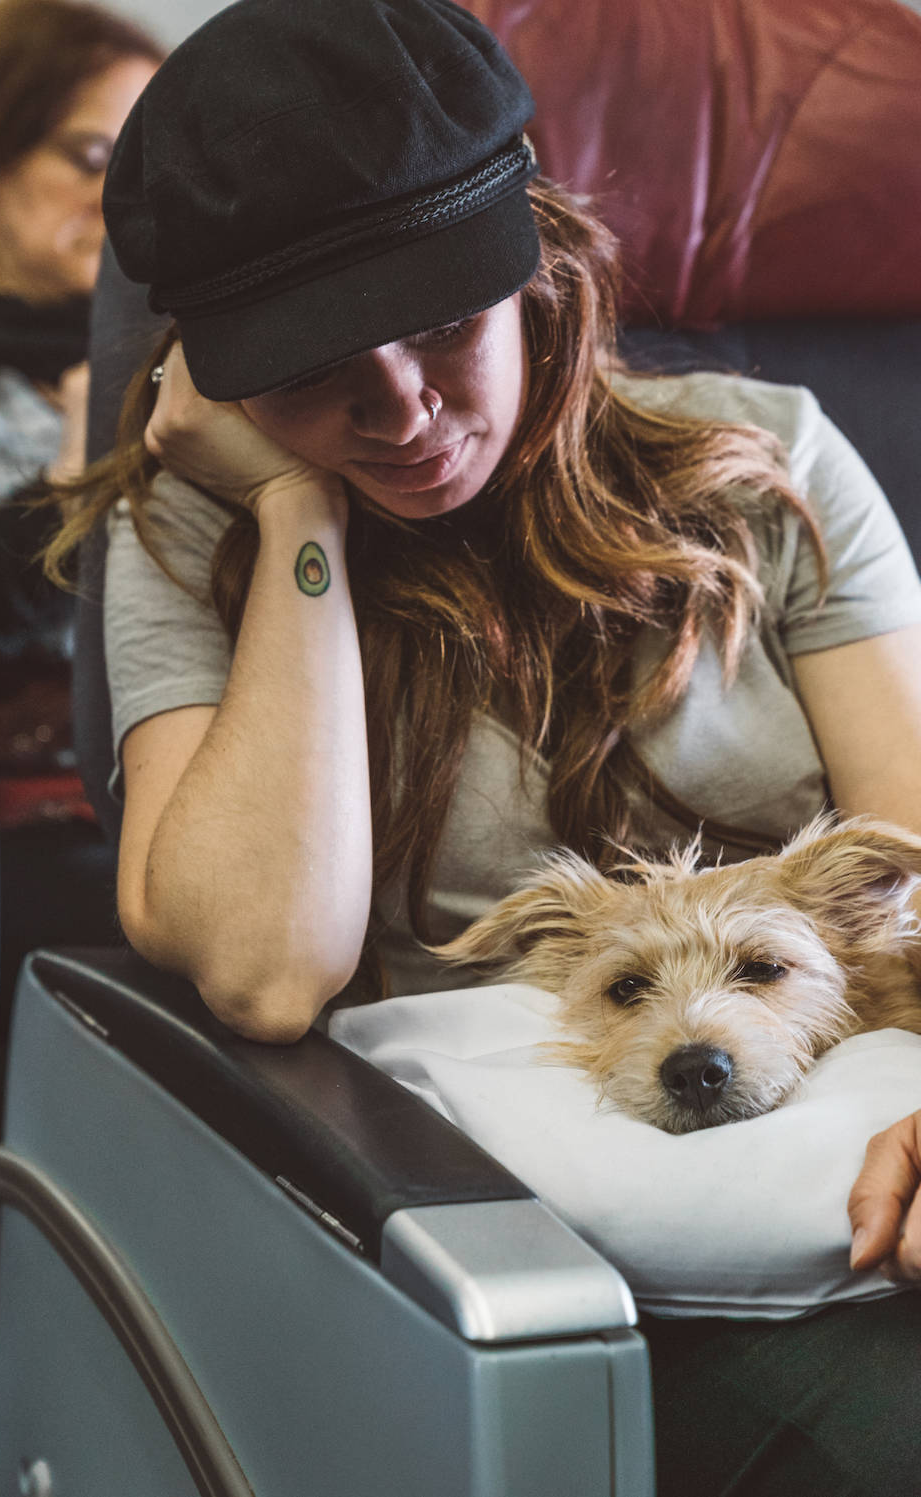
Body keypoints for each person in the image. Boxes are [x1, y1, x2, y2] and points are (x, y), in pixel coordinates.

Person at [47, 1, 921, 1491]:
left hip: (847, 1161)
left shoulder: (773, 466)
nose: (403, 414)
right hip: (529, 1247)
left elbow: (915, 861)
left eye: (444, 322)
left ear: (539, 265)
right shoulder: (196, 532)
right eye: (312, 366)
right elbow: (267, 967)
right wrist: (297, 522)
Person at [0, 0, 160, 1004]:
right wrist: (72, 481)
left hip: (180, 787)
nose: (121, 198)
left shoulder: (179, 365)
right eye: (91, 153)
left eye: (143, 169)